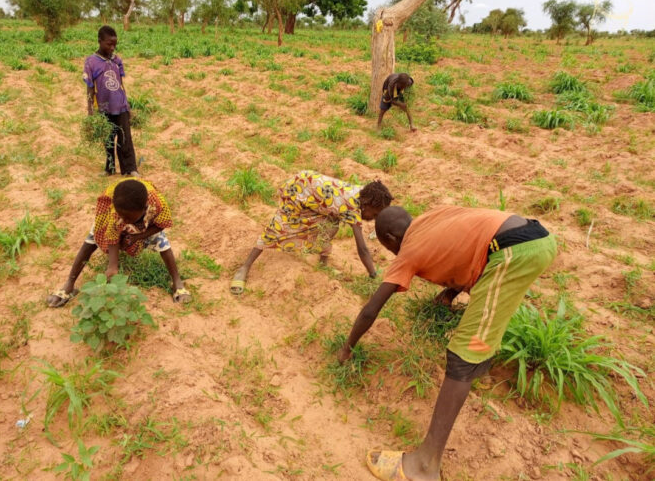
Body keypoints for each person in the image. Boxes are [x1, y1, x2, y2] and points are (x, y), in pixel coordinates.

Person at [337, 205, 557, 481]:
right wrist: (449, 295)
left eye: (387, 247)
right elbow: (467, 246)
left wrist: (347, 348)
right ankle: (481, 375)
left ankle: (424, 466)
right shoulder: (430, 220)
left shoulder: (409, 251)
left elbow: (372, 309)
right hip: (530, 237)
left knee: (461, 353)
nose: (393, 253)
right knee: (484, 325)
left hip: (513, 252)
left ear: (391, 238)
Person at [230, 171, 393, 295]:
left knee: (331, 225)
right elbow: (362, 249)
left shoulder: (362, 194)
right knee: (278, 228)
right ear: (366, 204)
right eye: (375, 214)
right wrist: (373, 275)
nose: (374, 218)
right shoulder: (352, 207)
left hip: (315, 193)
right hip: (299, 191)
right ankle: (244, 268)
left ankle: (322, 263)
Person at [46, 179, 190, 307]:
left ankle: (177, 283)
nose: (124, 221)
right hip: (112, 215)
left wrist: (139, 236)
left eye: (128, 218)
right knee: (91, 240)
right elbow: (112, 233)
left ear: (144, 209)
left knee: (162, 242)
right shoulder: (115, 211)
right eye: (122, 216)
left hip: (146, 224)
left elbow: (162, 224)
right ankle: (69, 285)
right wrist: (112, 265)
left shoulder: (157, 205)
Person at [83, 25, 139, 177]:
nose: (112, 47)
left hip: (120, 106)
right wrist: (90, 110)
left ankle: (130, 168)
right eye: (109, 44)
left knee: (125, 138)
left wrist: (127, 105)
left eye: (115, 44)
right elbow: (89, 88)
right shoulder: (91, 62)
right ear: (100, 41)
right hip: (104, 108)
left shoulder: (117, 60)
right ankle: (110, 168)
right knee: (108, 140)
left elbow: (121, 84)